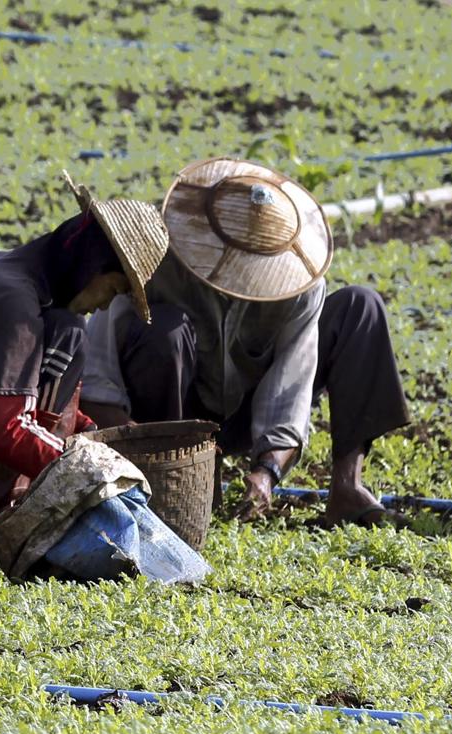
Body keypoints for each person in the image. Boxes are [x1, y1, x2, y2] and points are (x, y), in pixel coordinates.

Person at [81, 157, 412, 524]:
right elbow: (98, 380)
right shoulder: (156, 260)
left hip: (244, 410)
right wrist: (153, 454)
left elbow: (290, 389)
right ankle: (174, 481)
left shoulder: (299, 287)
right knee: (165, 329)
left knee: (361, 306)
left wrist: (268, 472)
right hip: (169, 413)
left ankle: (347, 488)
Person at [0, 174, 169, 524]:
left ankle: (7, 500)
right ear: (92, 265)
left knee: (68, 334)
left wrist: (87, 434)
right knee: (67, 340)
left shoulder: (23, 279)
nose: (101, 307)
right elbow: (8, 432)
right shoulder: (15, 301)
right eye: (112, 290)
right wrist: (87, 478)